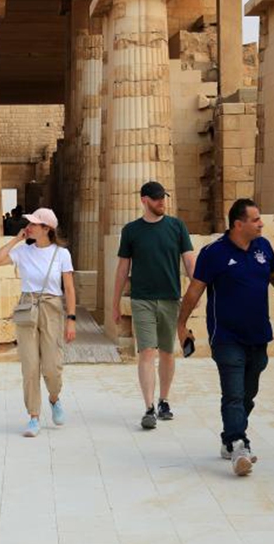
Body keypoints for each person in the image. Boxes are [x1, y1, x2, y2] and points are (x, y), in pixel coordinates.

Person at [178, 199, 274, 476]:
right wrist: (180, 324)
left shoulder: (263, 247)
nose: (261, 223)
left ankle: (230, 437)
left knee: (248, 394)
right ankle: (240, 445)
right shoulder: (213, 253)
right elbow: (195, 290)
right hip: (226, 336)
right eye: (255, 220)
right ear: (238, 224)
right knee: (234, 394)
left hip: (258, 335)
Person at [113, 181, 195, 430]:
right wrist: (114, 302)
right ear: (144, 200)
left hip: (171, 298)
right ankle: (148, 407)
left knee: (168, 353)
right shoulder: (131, 231)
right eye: (157, 198)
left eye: (164, 197)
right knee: (147, 351)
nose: (162, 201)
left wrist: (197, 292)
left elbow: (190, 262)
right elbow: (123, 268)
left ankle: (164, 401)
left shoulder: (177, 226)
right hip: (142, 299)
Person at [0, 207, 77, 438]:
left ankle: (54, 398)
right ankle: (34, 416)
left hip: (51, 307)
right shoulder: (23, 252)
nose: (28, 226)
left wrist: (71, 319)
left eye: (33, 224)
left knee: (52, 366)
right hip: (27, 307)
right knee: (30, 366)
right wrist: (15, 240)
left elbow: (68, 288)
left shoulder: (61, 254)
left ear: (46, 228)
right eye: (28, 223)